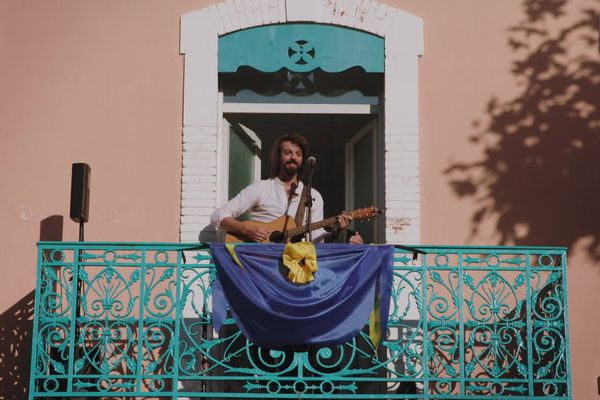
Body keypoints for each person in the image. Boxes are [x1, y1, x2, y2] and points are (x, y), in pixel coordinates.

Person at [211, 133, 362, 244]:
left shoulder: (312, 195)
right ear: (278, 157)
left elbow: (315, 238)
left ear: (302, 160)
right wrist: (246, 230)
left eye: (298, 154)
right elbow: (218, 215)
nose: (293, 157)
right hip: (258, 259)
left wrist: (339, 231)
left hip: (294, 265)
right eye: (287, 153)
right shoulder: (262, 188)